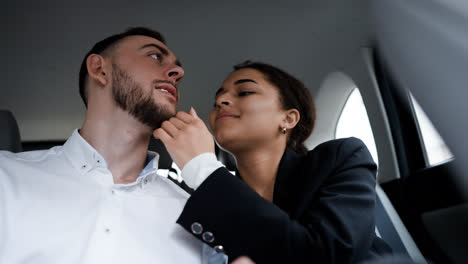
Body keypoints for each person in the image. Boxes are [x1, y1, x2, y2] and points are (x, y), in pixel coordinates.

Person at [0, 27, 226, 264]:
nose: (178, 72)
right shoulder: (5, 177)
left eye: (177, 67)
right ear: (100, 70)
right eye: (154, 56)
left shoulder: (197, 220)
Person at [155, 61, 393, 263]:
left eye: (245, 92)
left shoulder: (342, 156)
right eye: (217, 97)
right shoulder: (214, 202)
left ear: (289, 118)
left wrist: (203, 169)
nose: (221, 100)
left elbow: (331, 255)